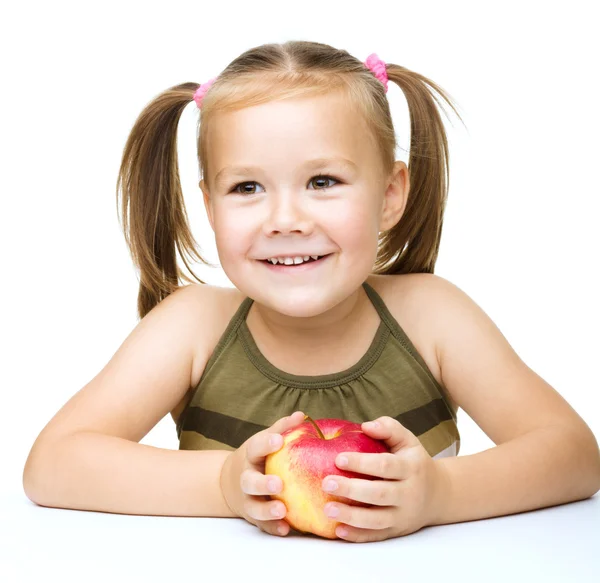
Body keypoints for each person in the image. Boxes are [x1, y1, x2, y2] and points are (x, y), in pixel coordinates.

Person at [22, 40, 600, 543]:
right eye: (247, 187)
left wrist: (441, 494)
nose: (285, 219)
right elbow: (52, 465)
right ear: (209, 206)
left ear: (391, 193)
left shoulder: (433, 317)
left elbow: (573, 455)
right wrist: (225, 484)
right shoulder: (192, 327)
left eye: (323, 181)